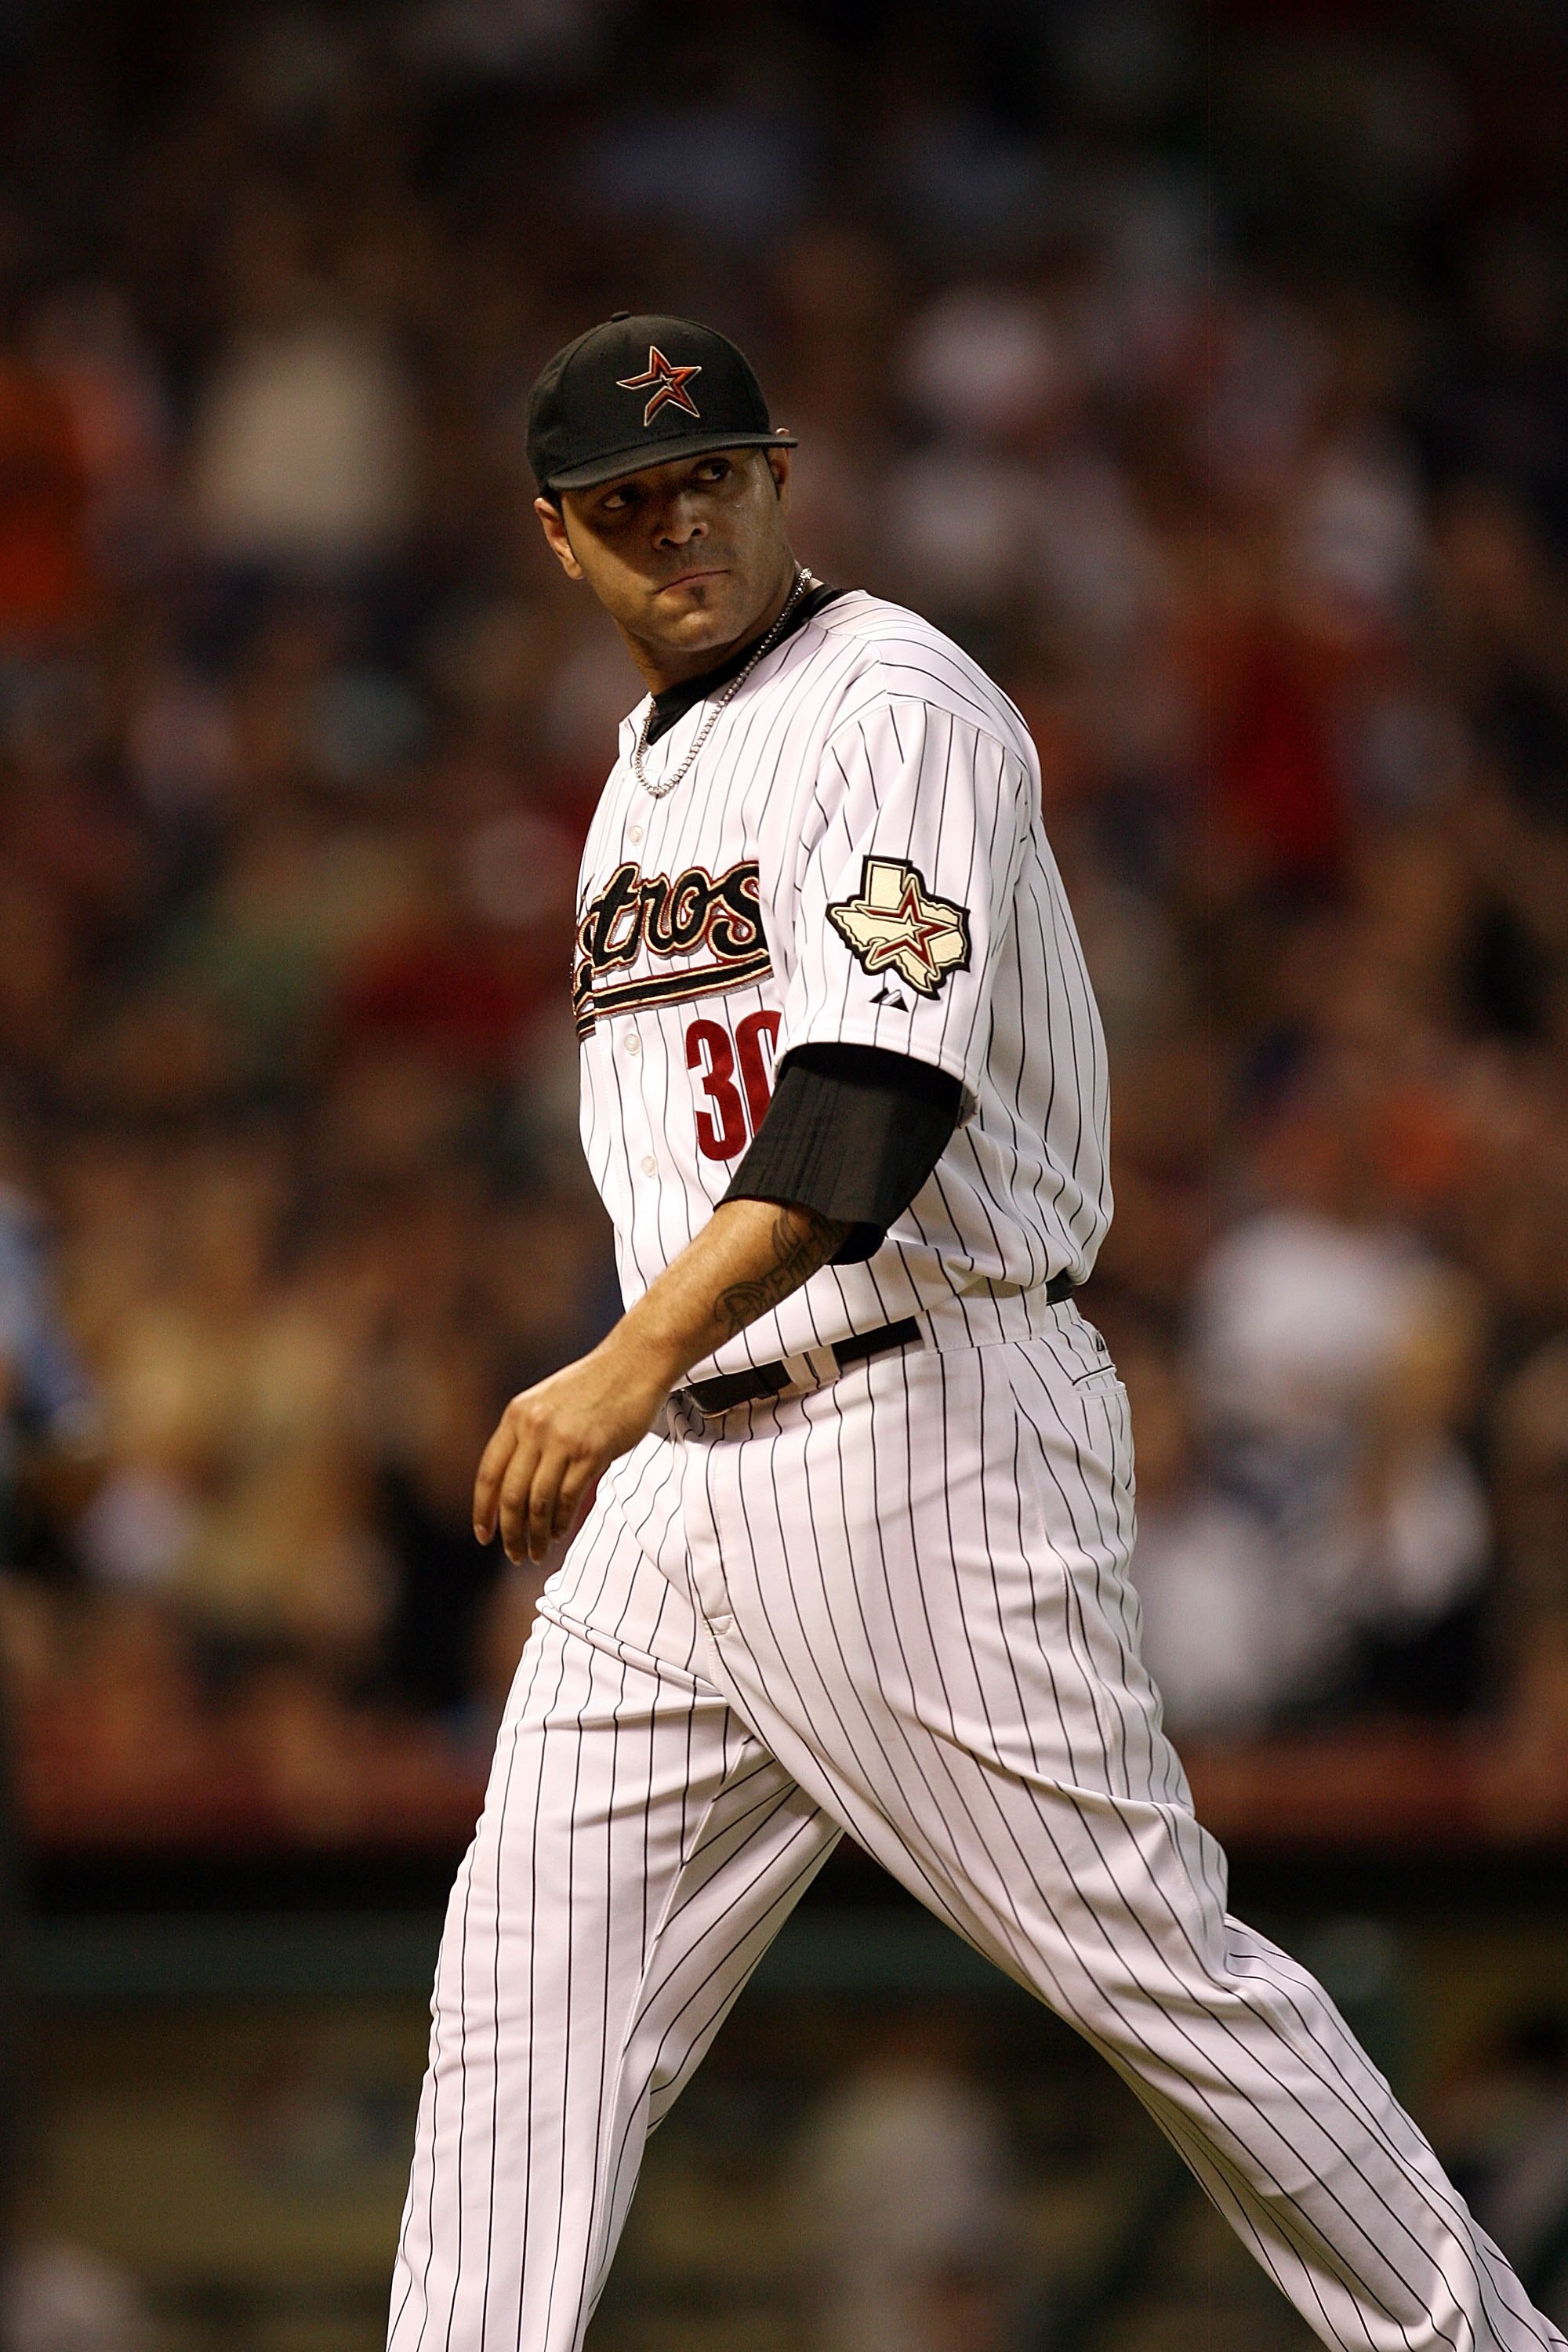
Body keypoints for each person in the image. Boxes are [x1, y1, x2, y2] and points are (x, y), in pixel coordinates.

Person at [387, 314, 1563, 2352]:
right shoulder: (641, 769)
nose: (680, 525)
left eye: (715, 477)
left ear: (783, 482)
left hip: (911, 1419)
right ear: (559, 540)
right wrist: (652, 1385)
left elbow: (868, 1114)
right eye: (628, 500)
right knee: (527, 2002)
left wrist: (619, 1362)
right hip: (696, 1479)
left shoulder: (893, 698)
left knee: (1152, 1977)